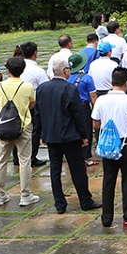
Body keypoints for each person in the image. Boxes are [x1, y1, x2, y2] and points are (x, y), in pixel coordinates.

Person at [36, 57, 100, 213]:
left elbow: (38, 114)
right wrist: (84, 135)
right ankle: (85, 200)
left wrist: (42, 133)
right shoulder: (70, 89)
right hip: (70, 136)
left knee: (55, 170)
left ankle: (60, 204)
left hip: (51, 135)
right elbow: (77, 115)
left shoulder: (42, 88)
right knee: (77, 169)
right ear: (65, 71)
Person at [91, 67, 127, 228]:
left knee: (108, 180)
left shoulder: (101, 100)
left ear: (112, 82)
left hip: (108, 144)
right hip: (125, 142)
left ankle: (106, 218)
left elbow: (95, 123)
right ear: (126, 83)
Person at [0, 56, 39, 207]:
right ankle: (25, 194)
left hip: (4, 126)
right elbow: (31, 104)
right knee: (24, 160)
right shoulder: (27, 87)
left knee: (1, 160)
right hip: (23, 127)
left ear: (7, 70)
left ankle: (0, 195)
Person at [68, 54, 99, 166]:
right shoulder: (86, 78)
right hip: (83, 107)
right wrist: (95, 110)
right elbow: (93, 96)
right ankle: (86, 157)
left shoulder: (66, 77)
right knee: (86, 131)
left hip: (69, 107)